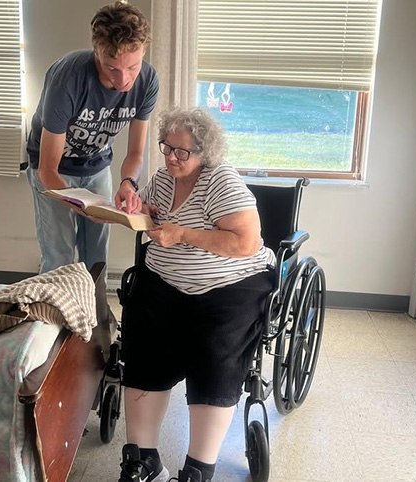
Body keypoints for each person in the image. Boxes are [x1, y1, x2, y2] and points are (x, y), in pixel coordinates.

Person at [117, 108, 276, 482]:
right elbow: (153, 211)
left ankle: (199, 468)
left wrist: (183, 234)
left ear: (205, 153)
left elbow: (247, 243)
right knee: (143, 340)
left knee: (215, 349)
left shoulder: (221, 182)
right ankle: (143, 461)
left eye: (182, 152)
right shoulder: (163, 178)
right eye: (167, 148)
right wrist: (138, 208)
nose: (172, 157)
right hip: (165, 282)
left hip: (230, 287)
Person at [26, 1, 159, 273]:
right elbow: (48, 169)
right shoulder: (69, 78)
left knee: (97, 257)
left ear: (143, 50)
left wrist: (128, 184)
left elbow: (135, 154)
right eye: (112, 68)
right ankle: (54, 315)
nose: (124, 80)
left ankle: (94, 315)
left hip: (97, 166)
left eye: (132, 67)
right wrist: (78, 203)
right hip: (53, 171)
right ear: (97, 52)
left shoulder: (147, 81)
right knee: (59, 254)